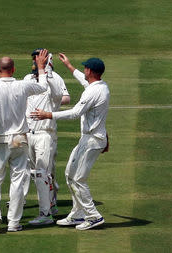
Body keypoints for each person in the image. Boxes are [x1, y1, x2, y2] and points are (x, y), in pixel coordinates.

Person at [0, 51, 49, 233]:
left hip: (0, 140)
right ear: (13, 69)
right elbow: (43, 87)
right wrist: (41, 67)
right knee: (18, 180)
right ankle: (13, 222)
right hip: (20, 139)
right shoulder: (23, 85)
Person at [31, 53, 109, 230]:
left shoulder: (93, 91)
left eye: (85, 68)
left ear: (89, 70)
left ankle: (93, 215)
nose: (83, 70)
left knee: (78, 179)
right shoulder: (99, 86)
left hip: (92, 140)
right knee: (69, 175)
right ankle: (78, 214)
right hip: (91, 138)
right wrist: (69, 66)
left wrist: (48, 114)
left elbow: (75, 113)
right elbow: (84, 81)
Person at [22, 48, 70, 226]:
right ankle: (50, 205)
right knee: (37, 174)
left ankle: (46, 213)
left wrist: (46, 72)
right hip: (29, 133)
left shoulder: (54, 80)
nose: (35, 63)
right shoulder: (28, 78)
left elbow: (61, 96)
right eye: (35, 60)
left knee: (44, 173)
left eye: (38, 60)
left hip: (45, 134)